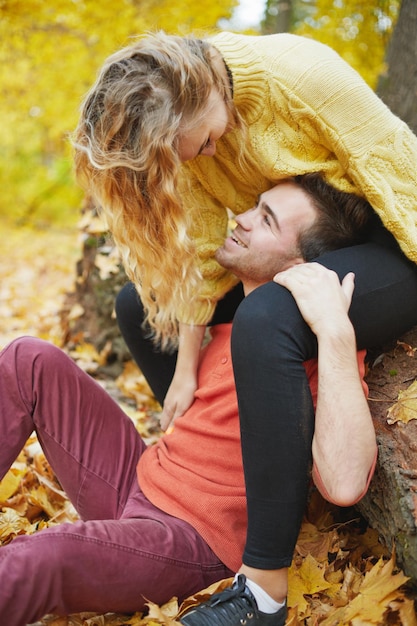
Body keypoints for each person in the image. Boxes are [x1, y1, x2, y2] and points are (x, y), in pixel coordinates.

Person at [72, 31, 417, 621]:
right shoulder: (203, 124)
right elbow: (209, 255)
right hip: (293, 241)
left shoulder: (302, 77)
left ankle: (262, 591)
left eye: (186, 146)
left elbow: (405, 184)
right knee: (136, 306)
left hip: (390, 249)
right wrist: (184, 371)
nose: (198, 159)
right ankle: (232, 467)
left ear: (188, 102)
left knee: (267, 315)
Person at [0, 176, 376, 625]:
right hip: (138, 478)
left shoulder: (313, 349)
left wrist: (335, 329)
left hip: (187, 539)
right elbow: (183, 285)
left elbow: (346, 482)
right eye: (256, 206)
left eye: (266, 221)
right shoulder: (228, 320)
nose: (242, 219)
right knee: (30, 358)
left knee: (38, 559)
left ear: (300, 266)